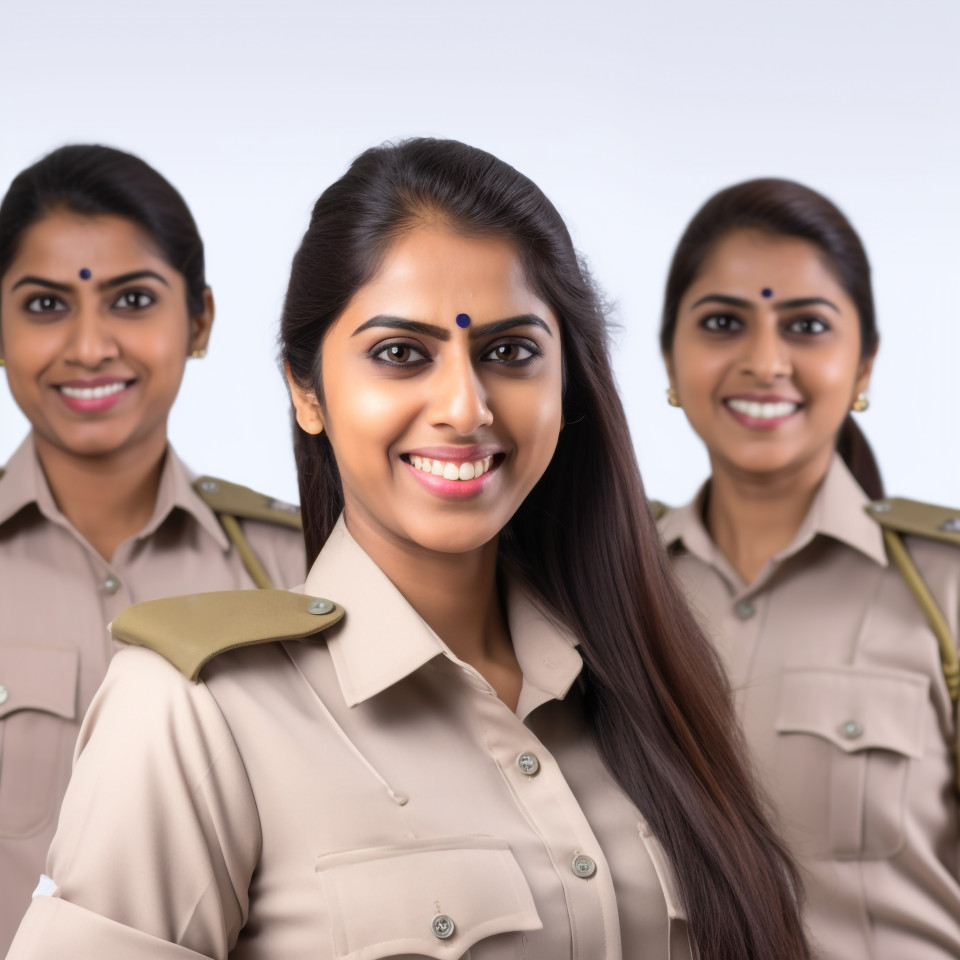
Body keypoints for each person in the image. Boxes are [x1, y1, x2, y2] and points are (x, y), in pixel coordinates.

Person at [7, 139, 810, 960]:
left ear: (568, 384)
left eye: (509, 352)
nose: (464, 406)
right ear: (305, 389)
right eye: (401, 354)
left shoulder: (649, 683)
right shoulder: (197, 710)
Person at [0, 144, 307, 951]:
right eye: (44, 305)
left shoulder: (295, 571)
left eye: (133, 300)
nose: (91, 346)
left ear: (199, 320)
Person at [656, 177, 960, 959]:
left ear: (864, 367)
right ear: (669, 357)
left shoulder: (944, 591)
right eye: (724, 322)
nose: (765, 361)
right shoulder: (605, 591)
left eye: (806, 326)